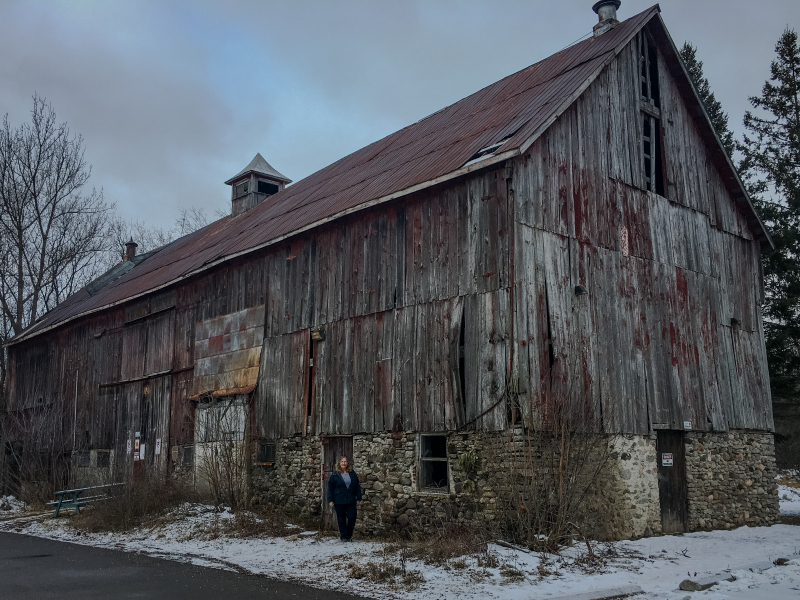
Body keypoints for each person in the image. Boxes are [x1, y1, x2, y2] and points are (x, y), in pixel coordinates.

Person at [327, 455, 362, 541]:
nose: (343, 463)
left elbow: (357, 486)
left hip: (351, 499)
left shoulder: (352, 473)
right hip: (339, 500)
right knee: (341, 518)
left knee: (352, 517)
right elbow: (330, 488)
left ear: (347, 463)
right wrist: (330, 500)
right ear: (339, 463)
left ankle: (349, 535)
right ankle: (344, 536)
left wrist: (358, 498)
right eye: (342, 462)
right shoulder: (335, 475)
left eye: (345, 461)